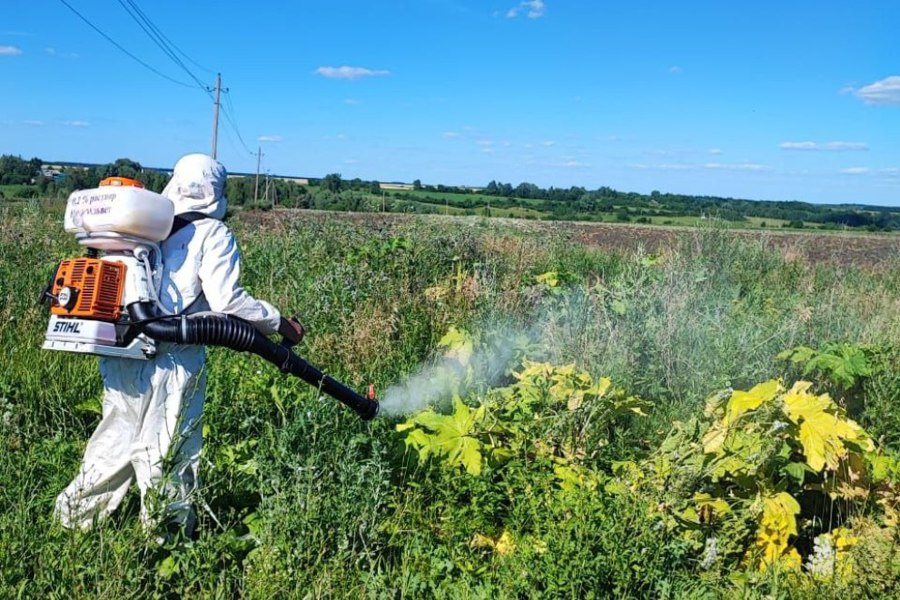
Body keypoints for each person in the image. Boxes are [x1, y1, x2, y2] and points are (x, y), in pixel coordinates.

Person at [55, 153, 303, 537]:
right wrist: (280, 323)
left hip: (121, 349)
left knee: (115, 438)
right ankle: (166, 538)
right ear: (217, 191)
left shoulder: (140, 226)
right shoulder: (211, 232)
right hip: (171, 357)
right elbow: (228, 302)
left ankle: (72, 520)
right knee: (168, 448)